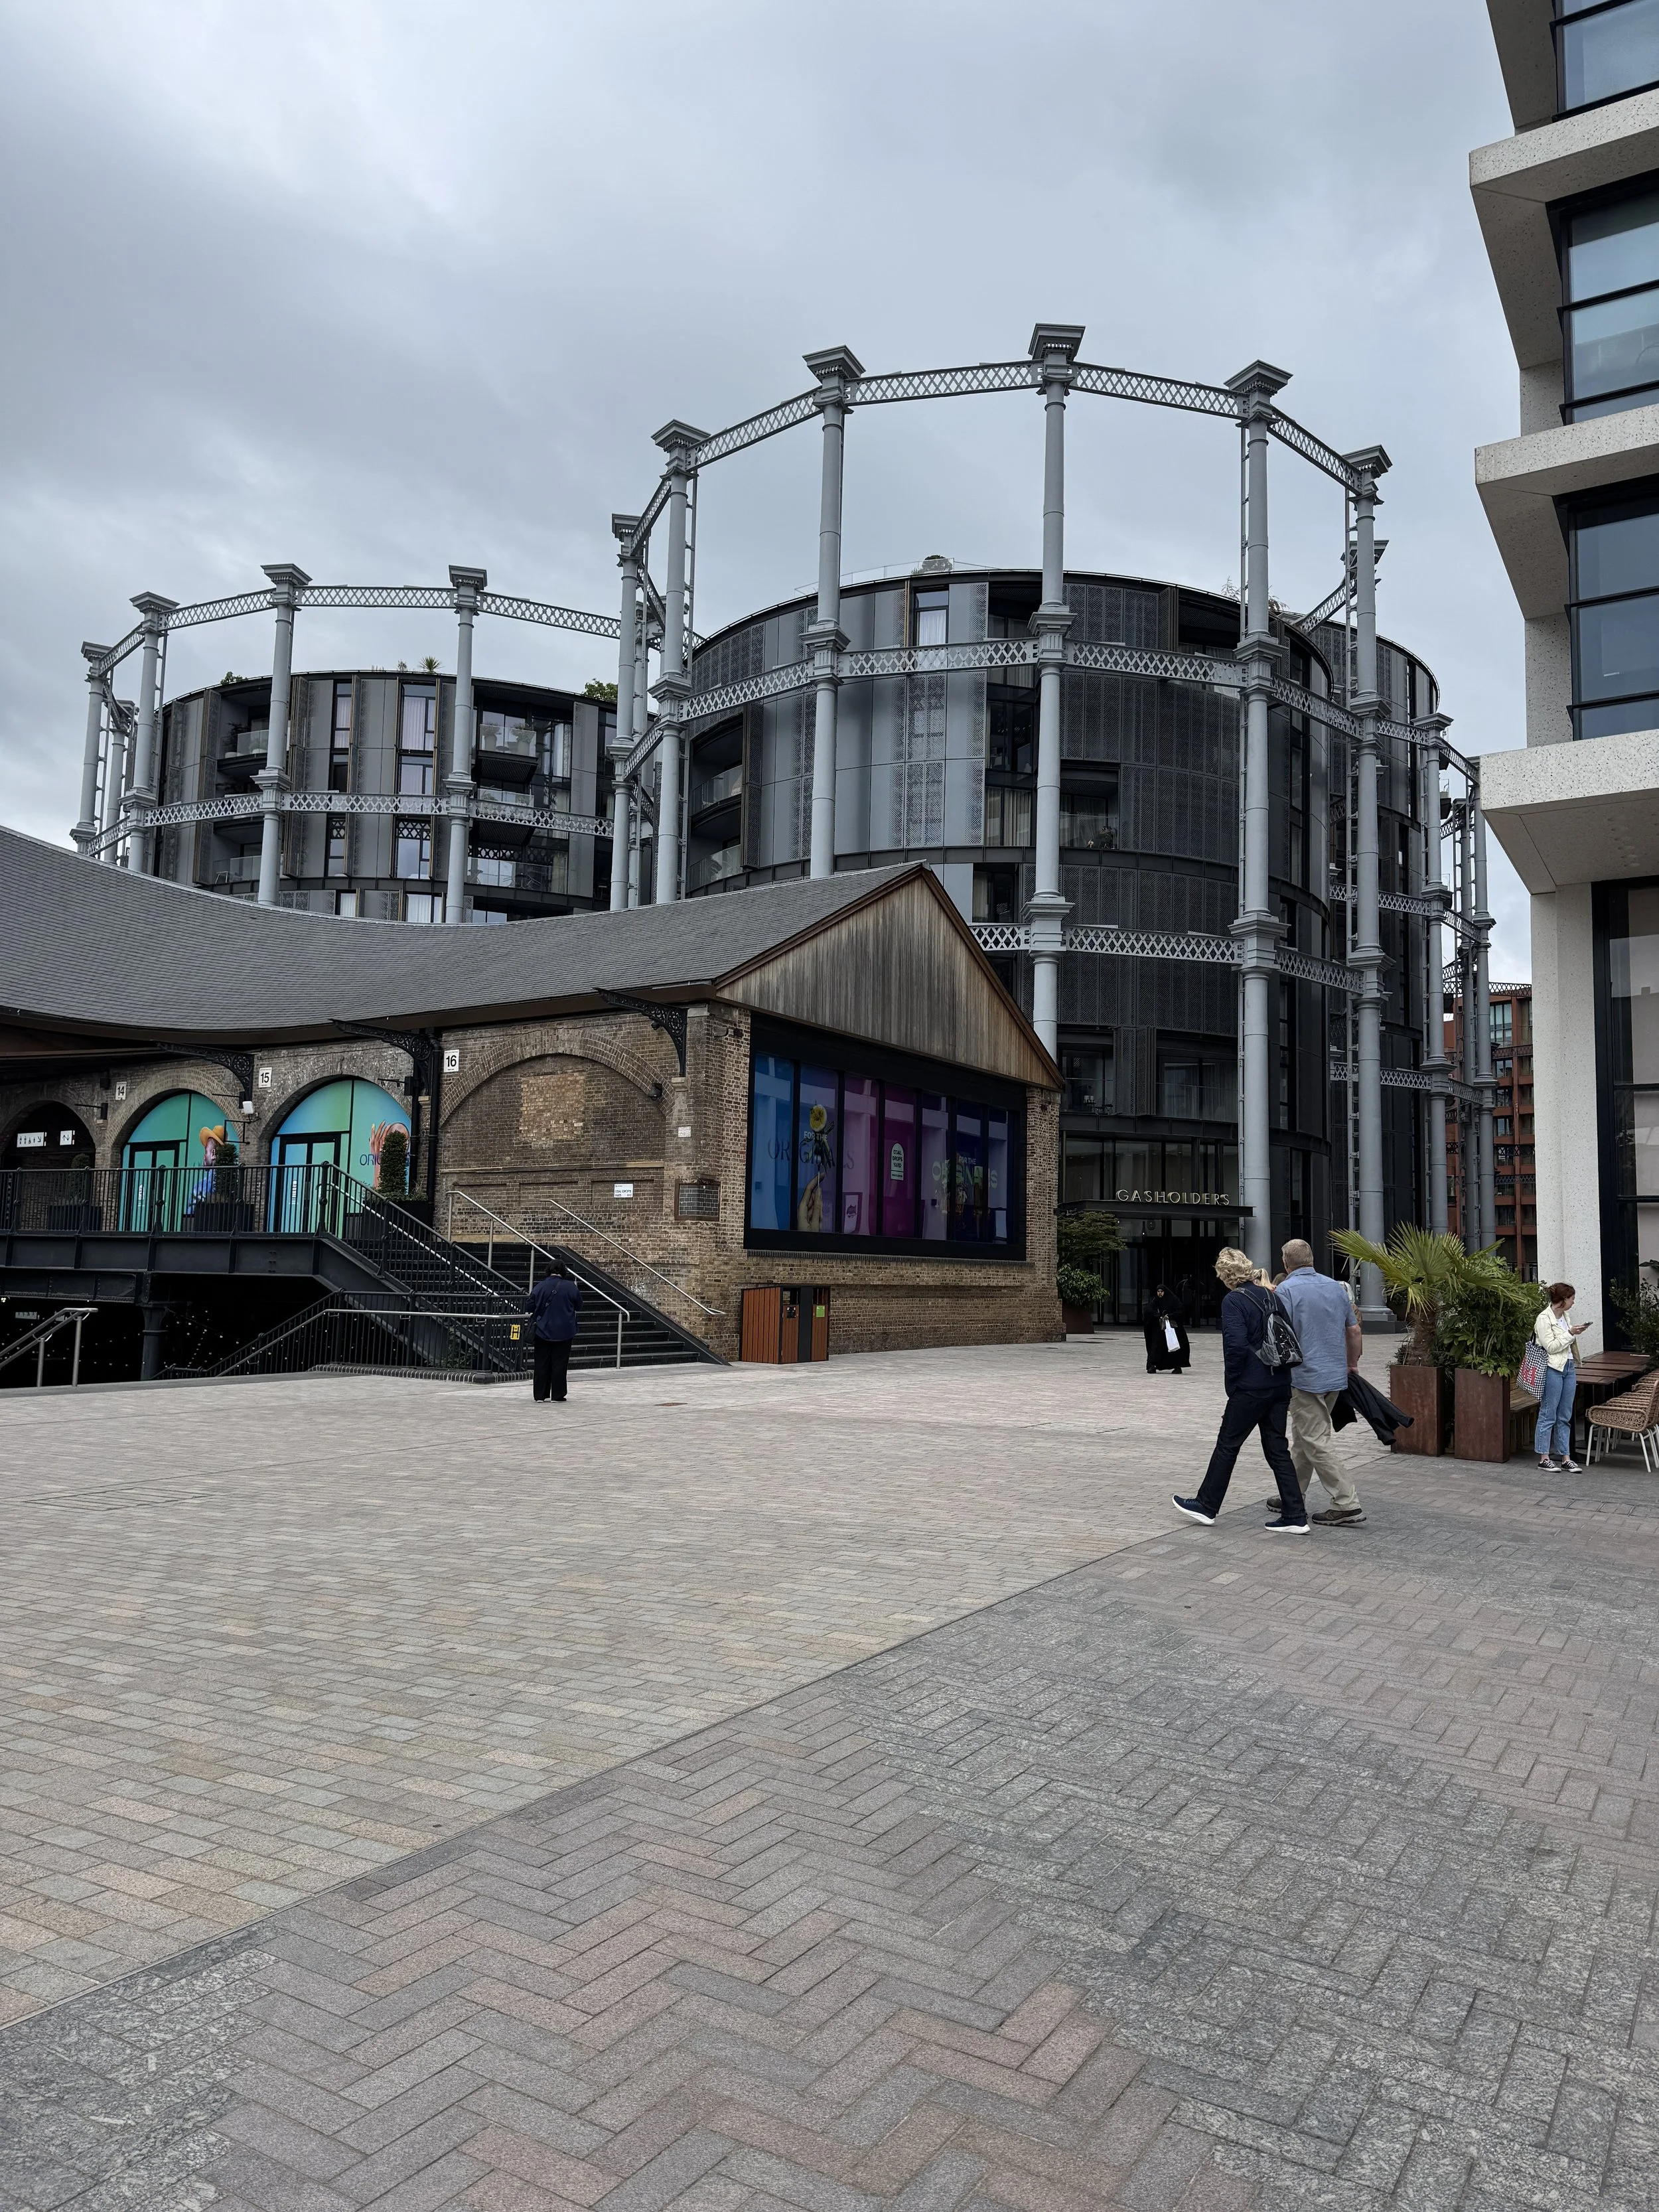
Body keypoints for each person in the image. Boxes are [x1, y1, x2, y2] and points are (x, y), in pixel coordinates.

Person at [1173, 1247, 1308, 1533]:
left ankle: (1207, 1505)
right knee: (1277, 1449)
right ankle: (1295, 1515)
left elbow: (1235, 1347)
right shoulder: (1271, 1294)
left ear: (1225, 1275)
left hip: (1251, 1386)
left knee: (1228, 1446)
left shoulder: (1233, 1300)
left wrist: (1232, 1384)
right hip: (1280, 1382)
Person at [1275, 1238, 1366, 1527]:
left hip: (1304, 1377)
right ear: (1312, 1259)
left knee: (1314, 1440)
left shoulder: (1286, 1291)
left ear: (1286, 1264)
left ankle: (1346, 1502)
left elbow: (1279, 1336)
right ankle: (1293, 1495)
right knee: (1304, 1438)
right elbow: (1353, 1330)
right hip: (1335, 1377)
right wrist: (1352, 1364)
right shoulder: (1336, 1288)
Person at [1534, 1282, 1590, 1470]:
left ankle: (1566, 1458)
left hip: (1568, 1367)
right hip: (1552, 1368)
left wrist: (1574, 1331)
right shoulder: (1544, 1319)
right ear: (1564, 1299)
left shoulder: (1565, 1316)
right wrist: (1570, 1333)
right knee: (1548, 1413)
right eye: (1572, 1299)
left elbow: (1566, 1341)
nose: (1574, 1302)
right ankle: (1544, 1458)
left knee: (1565, 1415)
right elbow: (1551, 1347)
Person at [526, 1260, 583, 1402]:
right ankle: (557, 1395)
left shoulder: (540, 1287)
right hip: (565, 1331)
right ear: (564, 1271)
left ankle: (540, 1394)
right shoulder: (571, 1287)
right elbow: (579, 1306)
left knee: (541, 1363)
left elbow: (529, 1306)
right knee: (560, 1363)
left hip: (542, 1330)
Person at [1141, 1284, 1190, 1374]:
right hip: (1159, 1330)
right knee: (1156, 1347)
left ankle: (1177, 1367)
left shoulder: (1173, 1301)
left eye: (1161, 1292)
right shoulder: (1155, 1302)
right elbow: (1149, 1311)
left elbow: (1180, 1311)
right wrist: (1159, 1316)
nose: (1160, 1293)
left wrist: (1170, 1316)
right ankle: (1153, 1366)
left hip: (1172, 1330)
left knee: (1173, 1347)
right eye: (1158, 1292)